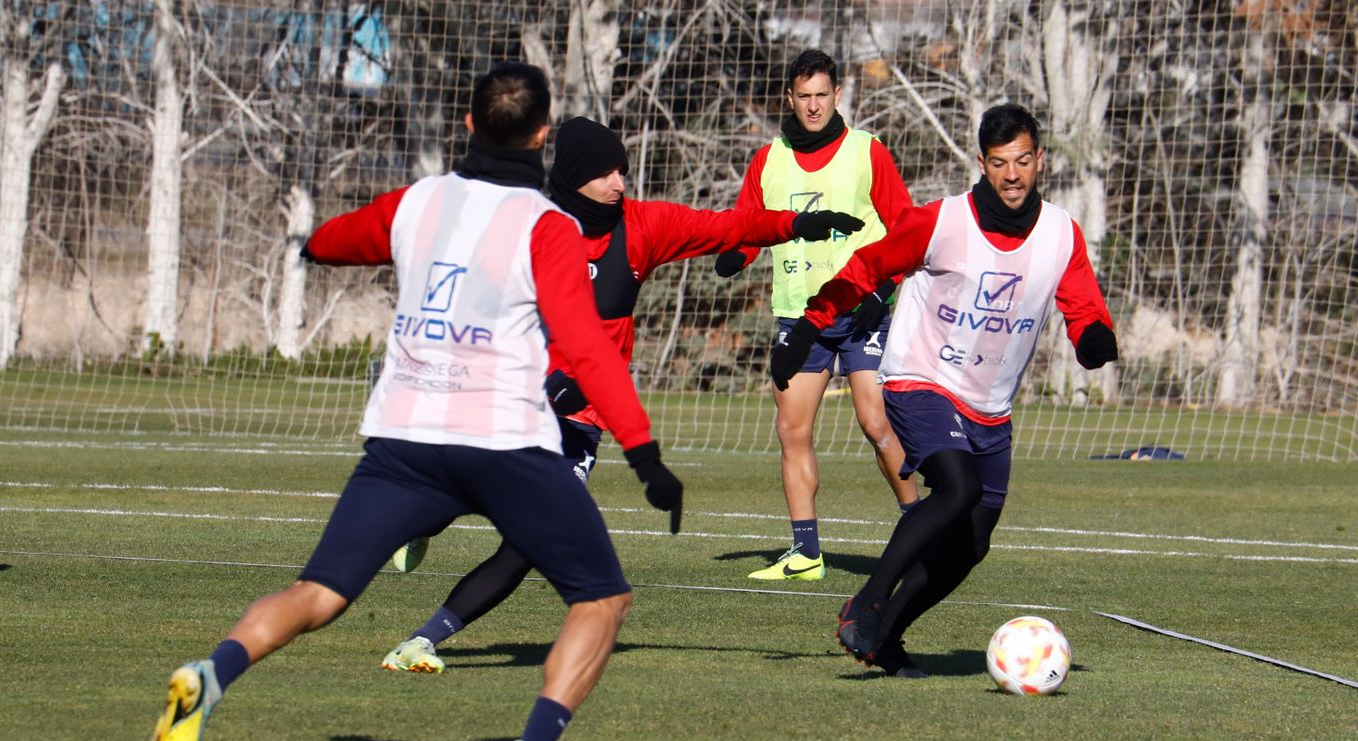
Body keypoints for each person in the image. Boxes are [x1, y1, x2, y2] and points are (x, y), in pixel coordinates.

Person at [149, 65, 684, 741]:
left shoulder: (417, 202)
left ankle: (212, 673)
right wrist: (645, 452)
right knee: (600, 598)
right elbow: (587, 348)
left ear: (467, 126)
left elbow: (337, 240)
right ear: (540, 138)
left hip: (402, 440)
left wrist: (311, 247)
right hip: (503, 442)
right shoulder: (547, 226)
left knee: (319, 593)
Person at [379, 115, 865, 675]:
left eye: (622, 171)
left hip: (581, 415)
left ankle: (421, 640)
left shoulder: (641, 227)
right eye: (606, 173)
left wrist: (802, 224)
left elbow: (728, 226)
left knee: (530, 540)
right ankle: (418, 522)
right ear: (574, 175)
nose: (619, 182)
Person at [771, 103, 1120, 678]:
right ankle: (866, 604)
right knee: (955, 490)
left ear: (1039, 162)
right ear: (981, 163)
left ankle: (885, 638)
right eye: (1000, 162)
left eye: (1024, 161)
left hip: (991, 403)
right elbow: (868, 268)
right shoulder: (943, 221)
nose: (1013, 175)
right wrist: (808, 327)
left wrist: (1093, 339)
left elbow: (1081, 303)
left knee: (971, 545)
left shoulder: (1061, 232)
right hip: (920, 379)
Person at [716, 49, 921, 581]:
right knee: (791, 429)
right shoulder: (768, 160)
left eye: (821, 95)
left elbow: (906, 232)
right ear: (790, 97)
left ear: (837, 95)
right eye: (803, 96)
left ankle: (920, 529)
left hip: (862, 312)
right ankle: (806, 553)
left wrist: (885, 290)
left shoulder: (866, 152)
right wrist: (734, 254)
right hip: (799, 317)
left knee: (876, 421)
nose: (812, 105)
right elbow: (751, 225)